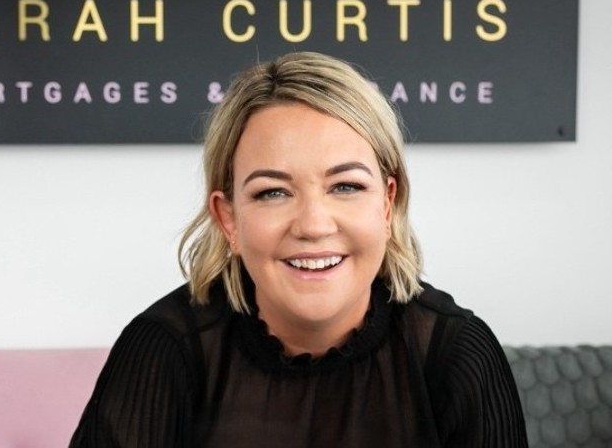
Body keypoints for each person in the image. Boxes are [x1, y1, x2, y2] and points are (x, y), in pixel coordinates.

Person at [69, 52, 527, 447]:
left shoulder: (457, 352)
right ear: (228, 219)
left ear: (387, 205)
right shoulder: (164, 349)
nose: (313, 225)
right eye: (273, 192)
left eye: (345, 186)